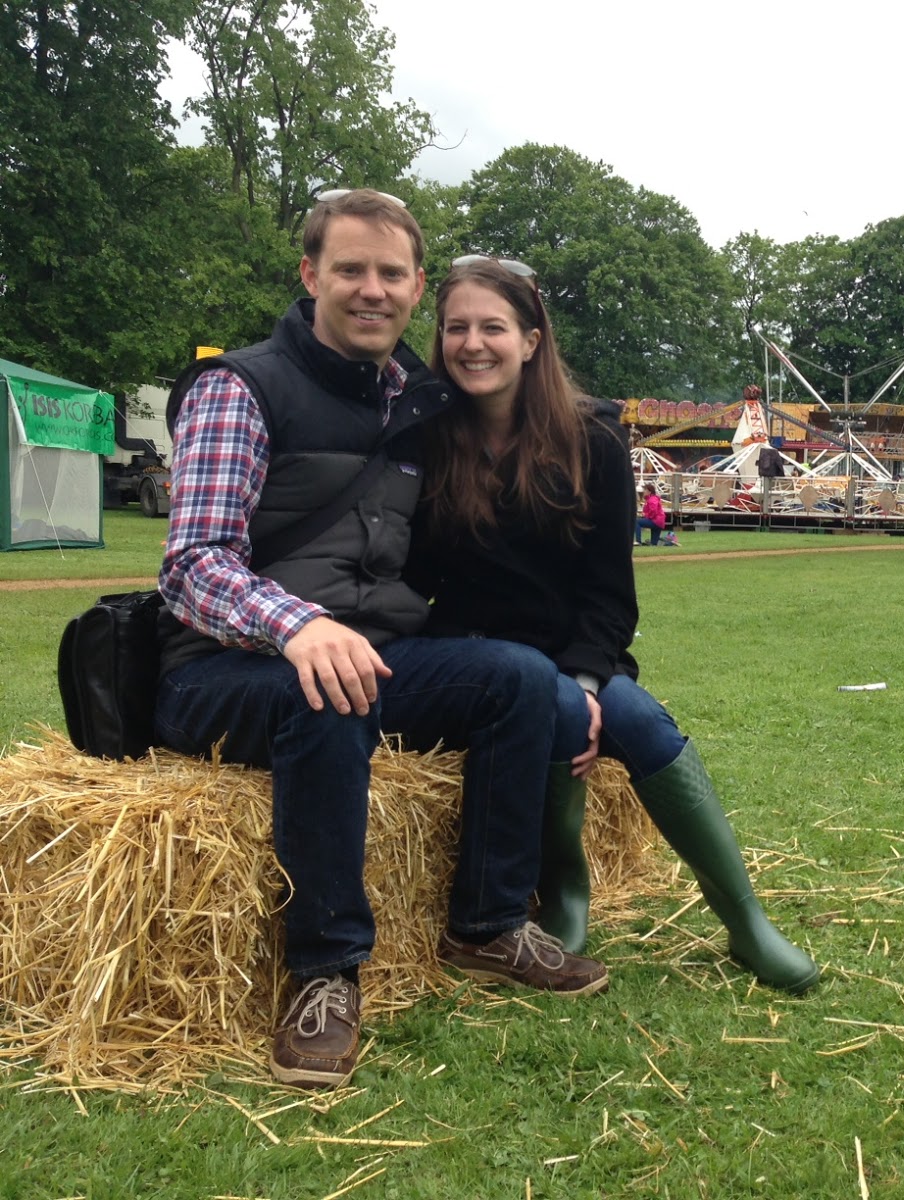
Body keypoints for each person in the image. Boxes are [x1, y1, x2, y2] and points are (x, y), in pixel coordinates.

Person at [153, 193, 607, 1091]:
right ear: (310, 274)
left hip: (365, 654)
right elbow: (192, 564)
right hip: (220, 669)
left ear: (416, 287)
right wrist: (298, 626)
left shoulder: (416, 398)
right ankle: (324, 973)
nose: (372, 290)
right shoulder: (239, 388)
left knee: (517, 678)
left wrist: (588, 659)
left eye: (391, 273)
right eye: (351, 269)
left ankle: (487, 924)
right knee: (331, 690)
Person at [407, 257, 819, 994]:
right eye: (455, 328)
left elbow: (609, 594)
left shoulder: (591, 440)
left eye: (492, 327)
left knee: (646, 726)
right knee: (558, 713)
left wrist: (587, 679)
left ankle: (746, 922)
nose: (472, 344)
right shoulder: (428, 437)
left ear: (531, 340)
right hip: (472, 656)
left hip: (573, 650)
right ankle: (565, 890)